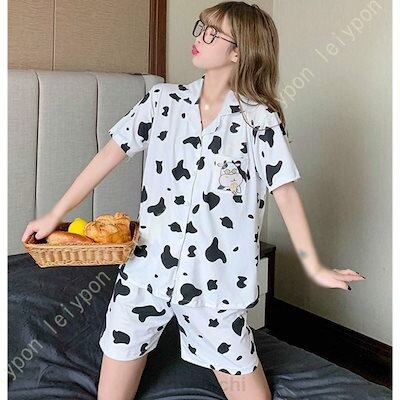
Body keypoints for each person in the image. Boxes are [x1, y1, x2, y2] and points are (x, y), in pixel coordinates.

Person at [21, 2, 366, 399]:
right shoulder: (161, 102)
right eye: (200, 27)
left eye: (213, 33)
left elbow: (284, 192)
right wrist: (55, 214)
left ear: (238, 51)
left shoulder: (259, 121)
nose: (199, 37)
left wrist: (314, 266)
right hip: (146, 271)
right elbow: (106, 156)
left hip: (216, 281)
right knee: (114, 380)